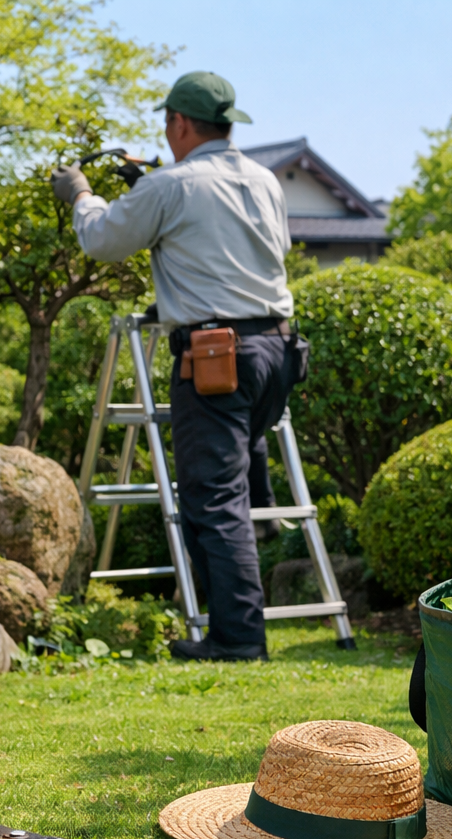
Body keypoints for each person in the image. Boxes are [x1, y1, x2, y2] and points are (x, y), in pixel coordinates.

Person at [51, 71, 304, 662]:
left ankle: (238, 639)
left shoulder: (173, 185)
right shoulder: (264, 179)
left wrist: (82, 194)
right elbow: (254, 251)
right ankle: (261, 511)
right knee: (236, 471)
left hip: (218, 356)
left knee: (214, 501)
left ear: (179, 123)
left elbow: (103, 240)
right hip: (279, 351)